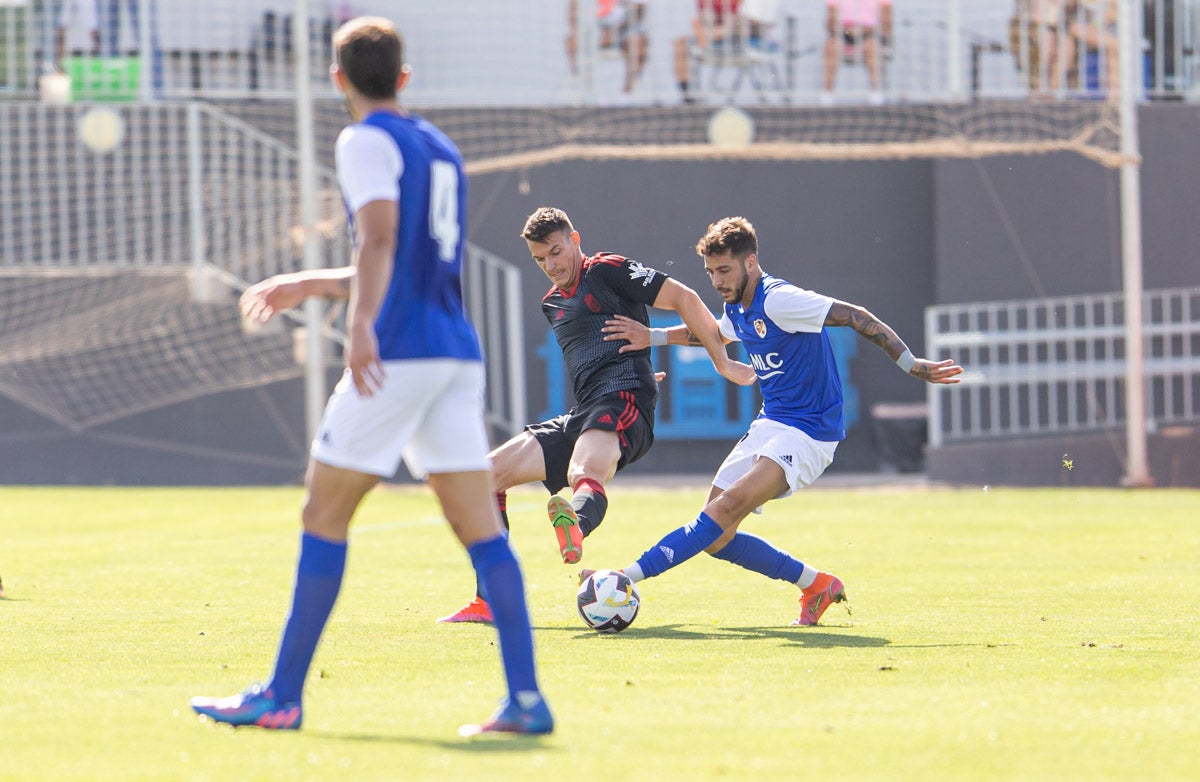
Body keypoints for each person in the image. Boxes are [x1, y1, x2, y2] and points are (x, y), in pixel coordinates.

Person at [190, 16, 553, 736]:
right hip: (454, 354)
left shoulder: (361, 139)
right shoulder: (439, 147)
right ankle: (527, 700)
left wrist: (359, 324)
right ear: (405, 78)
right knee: (481, 528)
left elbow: (380, 238)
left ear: (338, 80)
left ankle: (282, 694)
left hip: (398, 352)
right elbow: (409, 257)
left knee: (322, 514)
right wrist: (309, 283)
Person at [593, 216, 962, 625]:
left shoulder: (780, 299)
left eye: (724, 270)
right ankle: (817, 584)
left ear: (750, 263)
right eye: (710, 272)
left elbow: (857, 316)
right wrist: (654, 337)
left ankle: (624, 577)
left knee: (722, 512)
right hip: (772, 423)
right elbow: (714, 332)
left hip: (810, 433)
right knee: (717, 537)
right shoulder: (738, 304)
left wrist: (911, 364)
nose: (716, 280)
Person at [438, 206, 757, 624]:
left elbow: (685, 298)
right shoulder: (552, 303)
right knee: (485, 476)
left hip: (623, 402)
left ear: (575, 240)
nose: (551, 265)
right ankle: (490, 600)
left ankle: (577, 525)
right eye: (540, 259)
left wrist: (722, 363)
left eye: (556, 251)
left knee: (582, 470)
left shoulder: (606, 271)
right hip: (586, 411)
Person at [566, 0, 650, 100]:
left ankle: (627, 92)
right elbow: (573, 15)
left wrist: (614, 30)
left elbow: (640, 10)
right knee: (572, 42)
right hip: (594, 30)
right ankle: (585, 86)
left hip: (626, 29)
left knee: (638, 42)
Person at [821, 0, 893, 105]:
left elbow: (886, 22)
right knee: (831, 46)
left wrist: (864, 30)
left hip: (871, 35)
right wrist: (848, 30)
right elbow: (831, 23)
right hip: (843, 34)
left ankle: (876, 93)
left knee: (872, 47)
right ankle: (827, 95)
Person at [673, 0, 741, 103]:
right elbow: (700, 20)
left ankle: (706, 37)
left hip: (739, 36)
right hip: (713, 35)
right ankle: (687, 96)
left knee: (735, 26)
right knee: (680, 44)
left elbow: (742, 21)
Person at [1008, 0, 1066, 94]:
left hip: (1056, 29)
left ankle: (1049, 91)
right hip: (1032, 29)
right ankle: (1041, 90)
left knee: (1063, 44)